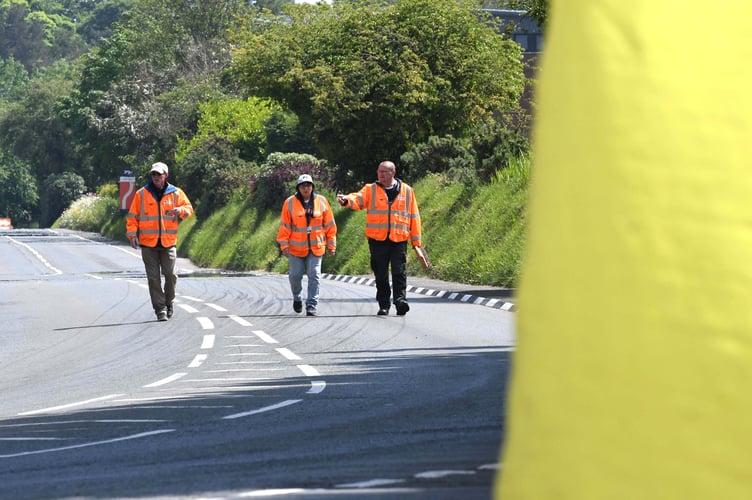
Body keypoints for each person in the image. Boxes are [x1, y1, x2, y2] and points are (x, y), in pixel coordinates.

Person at [337, 160, 422, 316]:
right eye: (379, 171)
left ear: (393, 173)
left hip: (399, 239)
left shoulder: (407, 191)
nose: (381, 174)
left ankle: (400, 301)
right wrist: (347, 200)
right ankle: (384, 305)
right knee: (381, 274)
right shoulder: (371, 189)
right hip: (378, 241)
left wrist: (416, 242)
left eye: (385, 171)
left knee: (399, 272)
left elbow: (414, 216)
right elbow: (357, 199)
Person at [126, 162, 194, 322]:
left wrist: (181, 211)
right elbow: (132, 217)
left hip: (168, 243)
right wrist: (132, 235)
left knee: (170, 275)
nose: (156, 177)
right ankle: (160, 309)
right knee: (153, 278)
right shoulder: (141, 194)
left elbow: (189, 209)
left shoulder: (176, 193)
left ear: (166, 175)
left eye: (159, 174)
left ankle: (169, 301)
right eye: (153, 175)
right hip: (148, 244)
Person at [276, 174, 337, 316]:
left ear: (312, 187)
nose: (306, 188)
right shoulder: (289, 203)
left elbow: (330, 225)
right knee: (295, 276)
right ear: (298, 188)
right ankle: (297, 297)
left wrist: (331, 245)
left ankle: (311, 305)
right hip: (296, 249)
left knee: (314, 275)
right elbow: (284, 226)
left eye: (308, 185)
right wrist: (284, 246)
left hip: (316, 248)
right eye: (303, 186)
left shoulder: (322, 201)